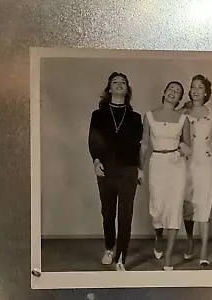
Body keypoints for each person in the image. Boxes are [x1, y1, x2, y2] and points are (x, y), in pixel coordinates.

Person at [88, 72, 143, 271]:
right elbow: (93, 140)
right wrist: (96, 161)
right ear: (109, 89)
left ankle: (121, 257)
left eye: (123, 83)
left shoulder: (135, 117)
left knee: (125, 214)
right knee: (108, 212)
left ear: (127, 89)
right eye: (115, 82)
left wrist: (140, 168)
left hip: (129, 170)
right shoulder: (98, 115)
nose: (119, 85)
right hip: (106, 169)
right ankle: (109, 247)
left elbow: (139, 146)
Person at [139, 81, 191, 271]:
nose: (173, 93)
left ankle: (168, 257)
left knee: (175, 208)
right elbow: (144, 144)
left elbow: (188, 146)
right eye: (171, 89)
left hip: (177, 166)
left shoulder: (183, 118)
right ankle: (158, 237)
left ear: (179, 99)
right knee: (157, 209)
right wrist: (140, 168)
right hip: (157, 164)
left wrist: (184, 149)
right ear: (164, 92)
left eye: (177, 92)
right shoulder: (149, 116)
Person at [181, 74, 212, 267]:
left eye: (199, 87)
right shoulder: (183, 112)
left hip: (205, 164)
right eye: (192, 87)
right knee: (187, 205)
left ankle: (204, 250)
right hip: (185, 164)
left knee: (204, 204)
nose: (195, 91)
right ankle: (190, 242)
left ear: (206, 92)